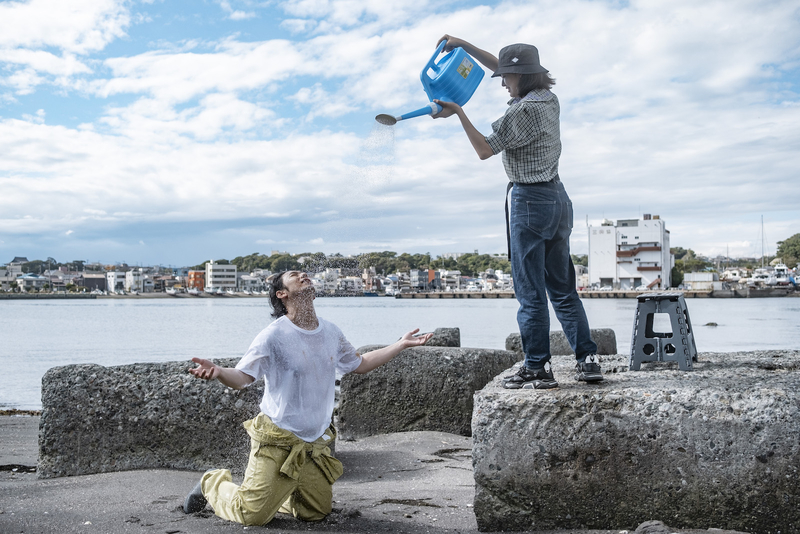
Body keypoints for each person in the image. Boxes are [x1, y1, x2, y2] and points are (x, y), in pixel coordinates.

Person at [182, 270, 432, 525]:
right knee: (251, 514)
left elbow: (361, 363)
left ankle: (280, 493)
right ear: (282, 294)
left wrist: (400, 344)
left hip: (314, 443)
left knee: (315, 513)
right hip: (278, 437)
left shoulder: (331, 331)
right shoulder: (273, 336)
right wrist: (219, 372)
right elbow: (244, 377)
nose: (303, 274)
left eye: (304, 273)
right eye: (294, 275)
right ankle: (211, 484)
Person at [432, 35, 603, 390]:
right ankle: (587, 359)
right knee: (563, 289)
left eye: (508, 78)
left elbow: (483, 150)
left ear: (523, 78)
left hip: (529, 202)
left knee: (530, 293)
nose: (503, 82)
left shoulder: (523, 111)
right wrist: (464, 45)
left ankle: (537, 367)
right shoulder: (548, 99)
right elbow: (500, 65)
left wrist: (459, 113)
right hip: (559, 199)